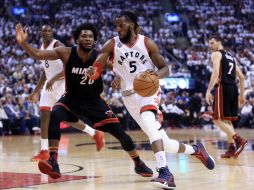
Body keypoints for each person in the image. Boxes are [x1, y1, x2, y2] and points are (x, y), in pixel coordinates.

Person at [87, 11, 215, 189]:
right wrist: (94, 71)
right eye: (116, 26)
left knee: (148, 121)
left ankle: (165, 173)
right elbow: (99, 61)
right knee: (165, 143)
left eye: (121, 25)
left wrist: (154, 76)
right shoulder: (112, 43)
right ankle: (196, 150)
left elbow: (165, 69)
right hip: (129, 97)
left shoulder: (146, 43)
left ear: (132, 25)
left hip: (149, 90)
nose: (118, 29)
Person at [16, 23, 153, 179]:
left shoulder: (99, 57)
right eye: (84, 36)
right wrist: (23, 43)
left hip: (94, 102)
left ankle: (138, 162)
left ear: (94, 41)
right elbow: (38, 54)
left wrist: (118, 78)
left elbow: (119, 71)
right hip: (71, 99)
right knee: (54, 114)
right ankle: (53, 160)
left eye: (90, 37)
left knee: (120, 134)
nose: (87, 39)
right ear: (77, 39)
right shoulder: (66, 53)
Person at [29, 25, 104, 161]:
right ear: (40, 33)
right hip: (49, 85)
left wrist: (54, 79)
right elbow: (45, 73)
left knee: (65, 117)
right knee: (44, 115)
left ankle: (94, 133)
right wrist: (35, 91)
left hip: (63, 83)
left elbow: (70, 66)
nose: (46, 32)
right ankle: (44, 151)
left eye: (49, 30)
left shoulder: (58, 45)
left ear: (52, 33)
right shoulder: (41, 47)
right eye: (44, 30)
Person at [205, 35, 248, 158]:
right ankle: (231, 148)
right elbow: (242, 78)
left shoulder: (216, 54)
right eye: (209, 44)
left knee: (217, 119)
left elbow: (216, 73)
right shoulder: (232, 57)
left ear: (219, 42)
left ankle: (238, 140)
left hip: (223, 87)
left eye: (212, 43)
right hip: (233, 88)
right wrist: (242, 95)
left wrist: (208, 91)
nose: (210, 46)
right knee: (226, 120)